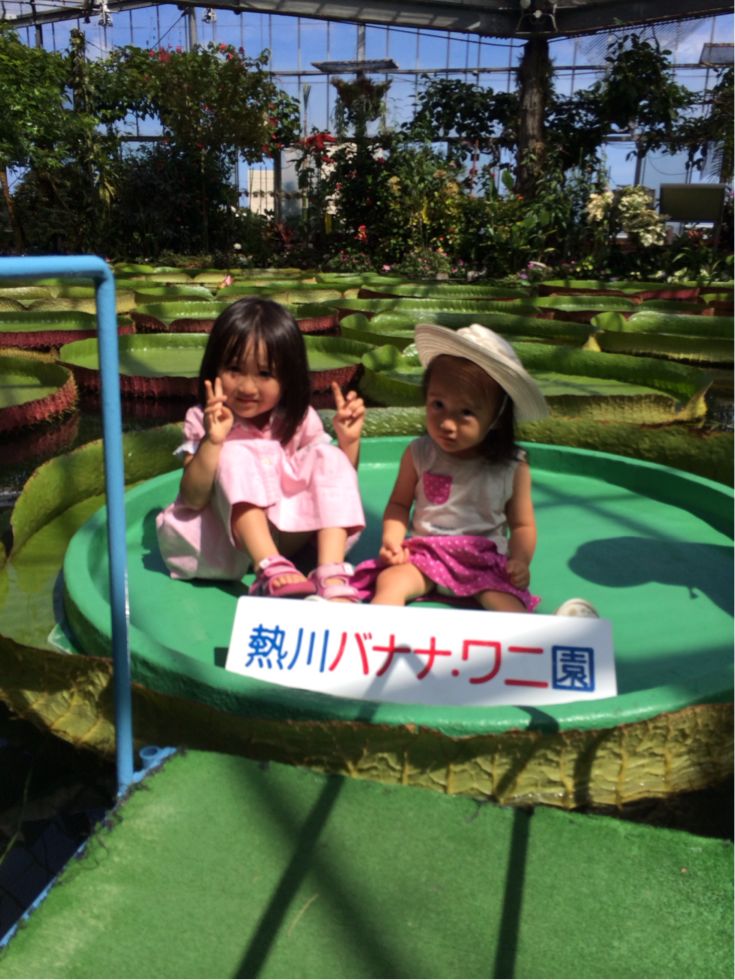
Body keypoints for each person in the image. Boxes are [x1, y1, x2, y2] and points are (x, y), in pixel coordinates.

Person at [353, 321, 597, 617]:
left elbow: (522, 525)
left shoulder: (512, 466)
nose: (447, 424)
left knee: (506, 603)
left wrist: (520, 560)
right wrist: (392, 539)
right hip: (425, 555)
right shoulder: (418, 453)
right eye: (438, 404)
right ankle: (375, 629)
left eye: (466, 413)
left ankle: (549, 635)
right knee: (391, 581)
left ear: (497, 417)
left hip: (483, 563)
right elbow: (399, 504)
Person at [156, 296, 365, 601]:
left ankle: (331, 574)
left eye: (265, 374)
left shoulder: (299, 418)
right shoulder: (203, 418)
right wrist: (213, 441)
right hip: (227, 543)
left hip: (290, 533)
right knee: (235, 452)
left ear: (288, 376)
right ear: (215, 367)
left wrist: (349, 443)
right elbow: (193, 498)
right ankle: (269, 566)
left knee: (330, 455)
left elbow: (333, 489)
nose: (247, 387)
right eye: (234, 369)